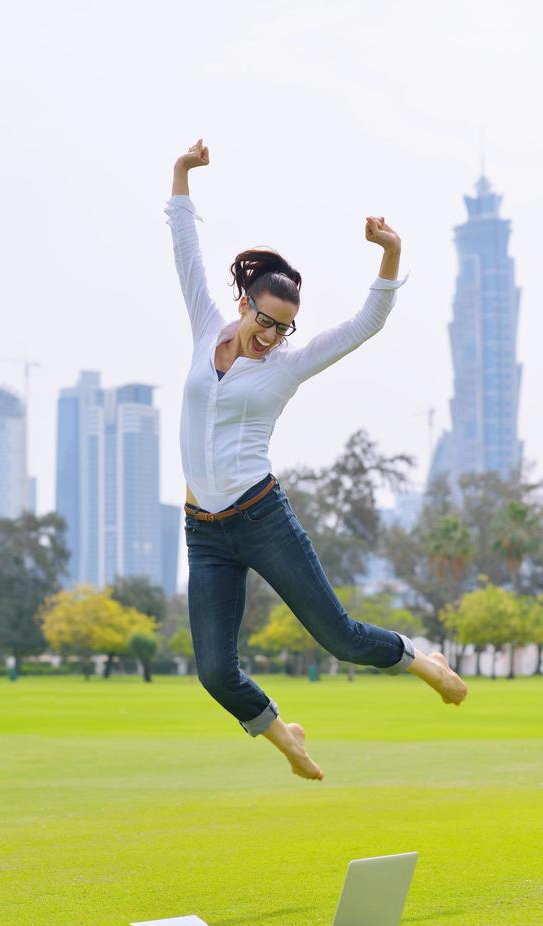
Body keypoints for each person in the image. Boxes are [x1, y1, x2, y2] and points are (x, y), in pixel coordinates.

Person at [166, 138, 468, 782]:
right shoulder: (205, 328)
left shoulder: (288, 365)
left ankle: (423, 661)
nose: (273, 336)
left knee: (340, 637)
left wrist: (390, 253)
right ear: (245, 300)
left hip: (261, 516)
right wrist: (181, 174)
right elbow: (185, 252)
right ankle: (285, 733)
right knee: (215, 671)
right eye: (267, 320)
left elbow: (367, 322)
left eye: (285, 328)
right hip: (204, 531)